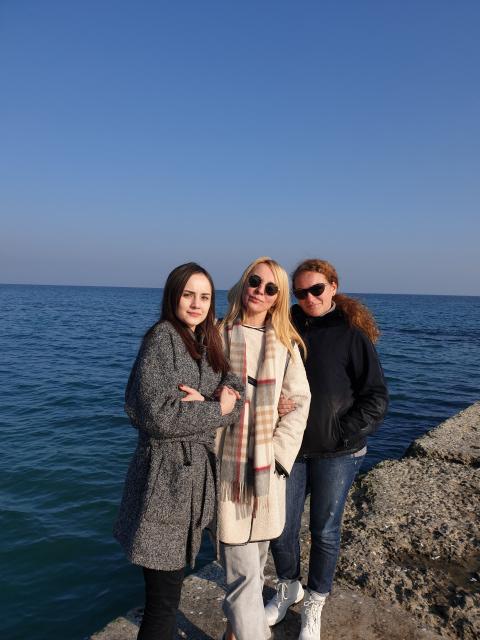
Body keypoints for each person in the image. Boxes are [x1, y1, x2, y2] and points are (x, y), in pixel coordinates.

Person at [114, 262, 244, 640]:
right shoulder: (162, 339)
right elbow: (157, 416)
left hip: (191, 483)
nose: (196, 304)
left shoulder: (206, 339)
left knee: (168, 594)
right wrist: (215, 409)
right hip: (164, 483)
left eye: (204, 296)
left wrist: (209, 403)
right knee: (163, 601)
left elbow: (235, 392)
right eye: (188, 295)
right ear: (173, 296)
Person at [265, 258, 389, 640]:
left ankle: (314, 605)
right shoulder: (283, 326)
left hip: (338, 452)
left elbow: (376, 396)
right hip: (290, 447)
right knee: (280, 527)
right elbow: (263, 372)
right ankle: (288, 587)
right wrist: (271, 402)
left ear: (333, 287)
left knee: (325, 531)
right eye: (300, 292)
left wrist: (341, 432)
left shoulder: (352, 334)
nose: (309, 298)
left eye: (316, 289)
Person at [216, 257, 311, 640]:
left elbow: (299, 403)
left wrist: (278, 460)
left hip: (267, 473)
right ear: (244, 282)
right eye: (255, 281)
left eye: (271, 288)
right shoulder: (216, 335)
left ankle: (233, 632)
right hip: (228, 472)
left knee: (254, 566)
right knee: (242, 574)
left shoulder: (285, 345)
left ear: (278, 298)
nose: (260, 290)